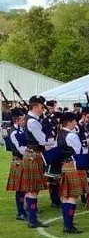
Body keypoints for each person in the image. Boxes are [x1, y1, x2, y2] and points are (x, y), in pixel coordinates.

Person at [20, 95, 54, 228]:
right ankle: (32, 220)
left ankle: (32, 218)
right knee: (33, 190)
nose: (43, 109)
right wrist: (55, 141)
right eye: (41, 107)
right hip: (34, 155)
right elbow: (42, 141)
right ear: (35, 107)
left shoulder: (32, 119)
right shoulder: (33, 122)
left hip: (32, 155)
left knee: (32, 190)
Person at [57, 112, 89, 234]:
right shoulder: (71, 135)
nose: (76, 123)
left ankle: (67, 223)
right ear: (69, 122)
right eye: (74, 121)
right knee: (72, 196)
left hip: (66, 165)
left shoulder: (60, 134)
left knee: (66, 197)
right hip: (74, 165)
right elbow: (78, 151)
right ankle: (68, 225)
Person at [6, 108, 28, 221]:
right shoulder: (14, 132)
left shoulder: (21, 130)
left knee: (24, 188)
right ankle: (20, 212)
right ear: (17, 120)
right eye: (23, 119)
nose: (24, 121)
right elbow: (21, 149)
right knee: (20, 188)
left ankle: (25, 210)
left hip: (23, 160)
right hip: (19, 161)